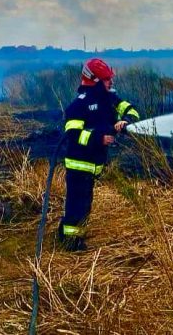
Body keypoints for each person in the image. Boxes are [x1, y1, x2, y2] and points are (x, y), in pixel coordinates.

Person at [58, 58, 140, 251]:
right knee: (77, 205)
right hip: (79, 164)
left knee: (85, 204)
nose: (110, 82)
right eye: (106, 79)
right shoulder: (79, 105)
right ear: (93, 80)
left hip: (93, 165)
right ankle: (71, 243)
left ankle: (70, 234)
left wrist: (126, 120)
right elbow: (73, 133)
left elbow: (131, 109)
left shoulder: (110, 99)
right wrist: (98, 138)